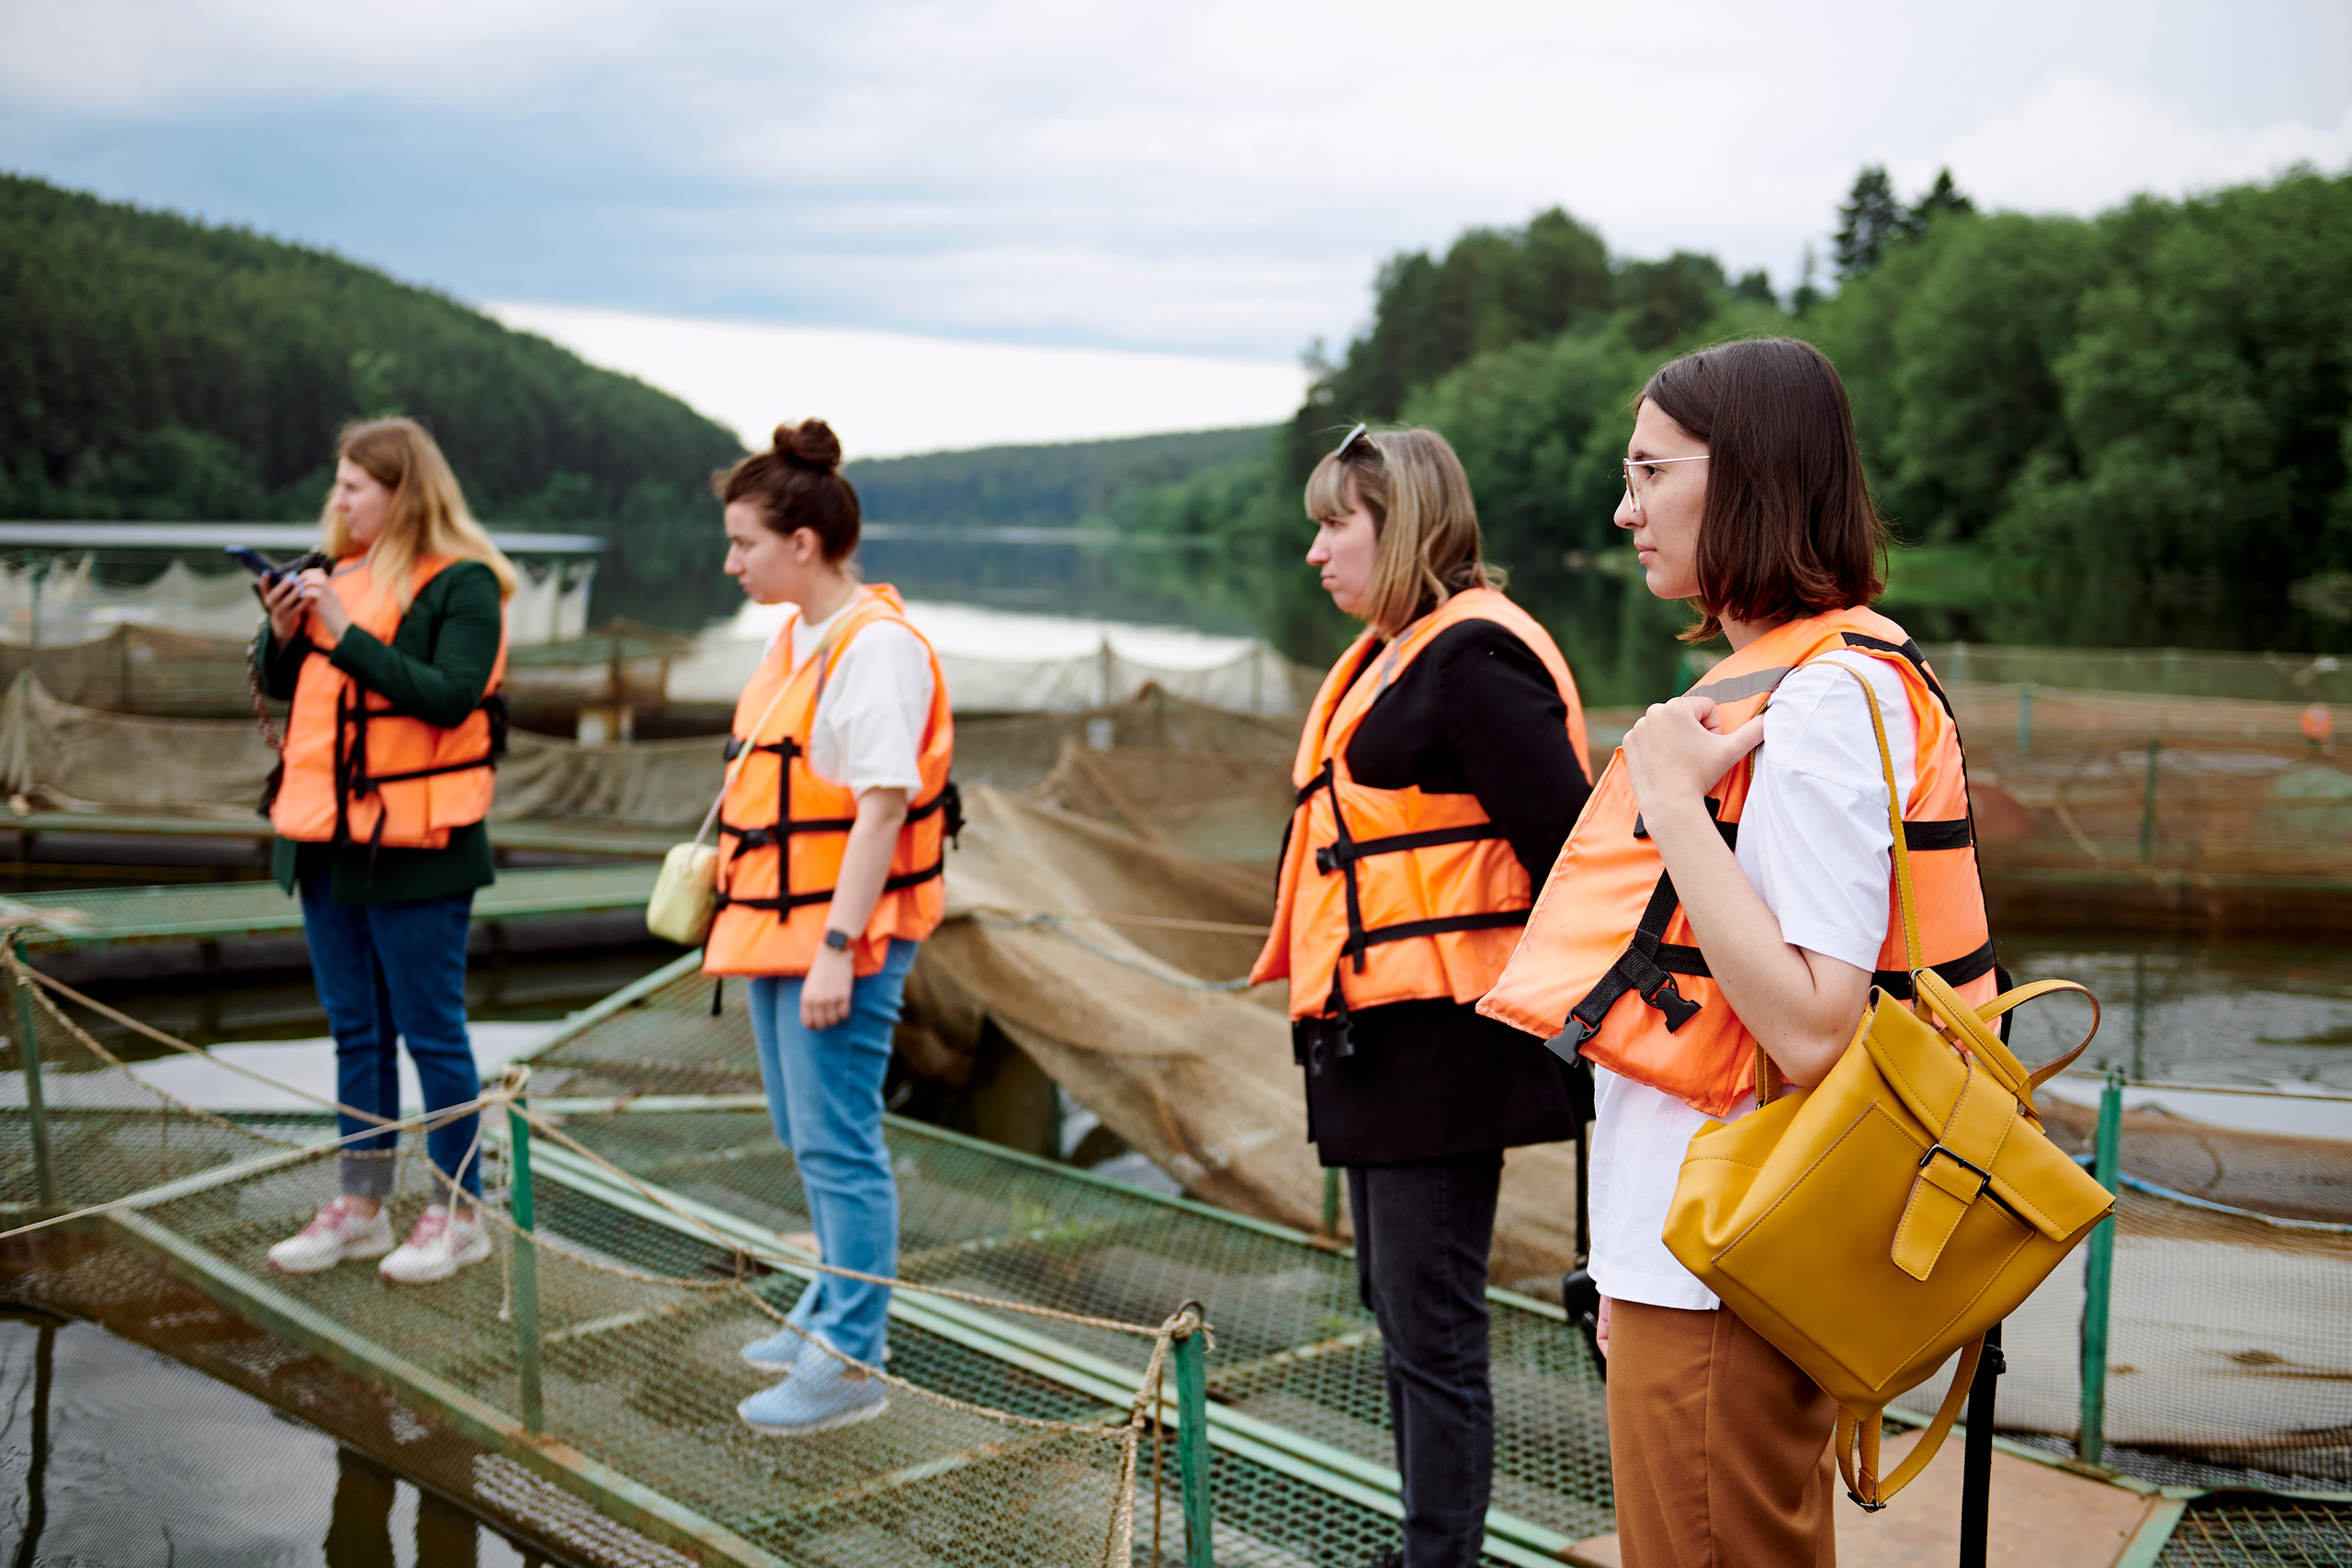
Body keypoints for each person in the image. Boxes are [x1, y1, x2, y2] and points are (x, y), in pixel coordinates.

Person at [1478, 337, 2000, 1567]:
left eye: (1650, 470)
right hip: (1704, 1244)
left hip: (1725, 1258)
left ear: (1751, 476)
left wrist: (1665, 798)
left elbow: (1816, 1020)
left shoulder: (1828, 697)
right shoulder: (1814, 676)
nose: (1626, 506)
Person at [1250, 424, 1592, 1568]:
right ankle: (1423, 1550)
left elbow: (1578, 858)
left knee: (1434, 1335)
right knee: (1398, 1317)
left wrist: (1573, 1033)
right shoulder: (1395, 656)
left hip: (1447, 1055)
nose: (1315, 552)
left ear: (1399, 530)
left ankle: (1436, 1559)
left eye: (1333, 524)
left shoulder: (1470, 662)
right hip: (1376, 1051)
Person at [704, 420, 956, 1438]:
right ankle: (824, 1305)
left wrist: (839, 952)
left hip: (839, 938)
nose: (731, 563)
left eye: (744, 544)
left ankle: (853, 1360)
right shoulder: (797, 635)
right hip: (779, 925)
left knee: (842, 1144)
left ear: (801, 542)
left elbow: (884, 809)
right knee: (800, 1134)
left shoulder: (876, 648)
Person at [258, 417, 517, 1285]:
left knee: (432, 1032)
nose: (336, 500)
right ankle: (361, 1207)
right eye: (337, 485)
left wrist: (340, 629)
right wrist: (285, 629)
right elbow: (279, 683)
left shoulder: (465, 584)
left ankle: (456, 1212)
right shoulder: (332, 575)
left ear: (402, 493)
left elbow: (447, 699)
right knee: (354, 1030)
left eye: (353, 486)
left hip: (419, 846)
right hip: (327, 842)